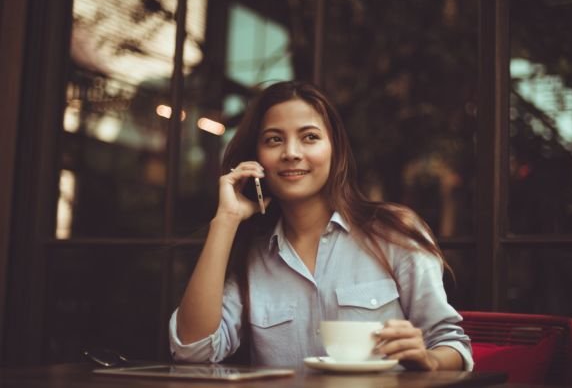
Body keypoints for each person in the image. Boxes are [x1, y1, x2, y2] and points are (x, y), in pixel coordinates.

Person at [169, 81, 473, 370]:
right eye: (274, 139)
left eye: (309, 137)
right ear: (257, 158)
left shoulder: (393, 233)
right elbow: (192, 350)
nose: (291, 153)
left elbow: (452, 345)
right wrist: (225, 220)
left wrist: (429, 359)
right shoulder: (252, 256)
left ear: (334, 149)